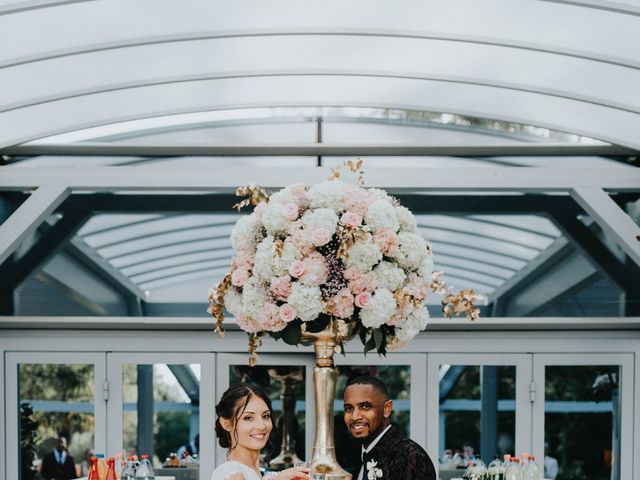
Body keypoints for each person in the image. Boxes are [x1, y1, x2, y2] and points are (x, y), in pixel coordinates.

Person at [343, 375, 437, 480]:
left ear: (387, 409)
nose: (355, 417)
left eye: (365, 406)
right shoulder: (356, 456)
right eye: (348, 408)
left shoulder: (411, 457)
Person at [212, 383, 310, 480]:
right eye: (248, 418)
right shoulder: (230, 474)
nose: (262, 425)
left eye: (265, 416)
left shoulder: (261, 475)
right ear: (226, 424)